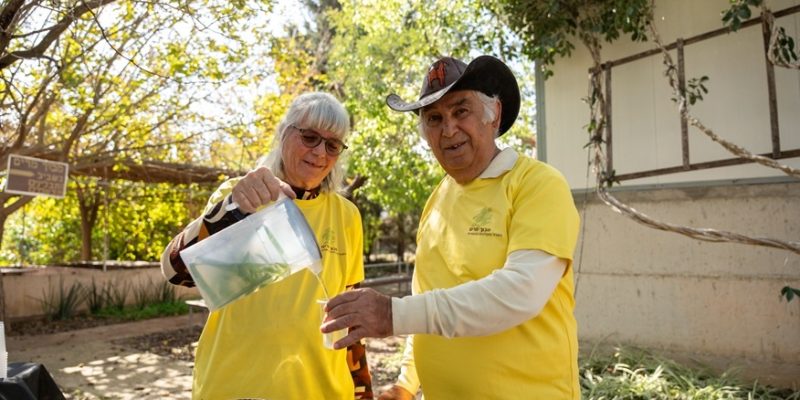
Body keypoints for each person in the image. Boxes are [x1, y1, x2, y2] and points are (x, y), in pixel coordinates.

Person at [321, 55, 580, 399]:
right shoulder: (437, 202)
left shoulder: (537, 184)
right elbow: (426, 303)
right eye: (434, 118)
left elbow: (522, 291)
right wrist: (405, 383)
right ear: (426, 134)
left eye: (461, 111)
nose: (449, 129)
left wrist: (392, 313)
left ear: (494, 115)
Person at [161, 92, 373, 399]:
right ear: (284, 133)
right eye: (310, 137)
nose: (320, 152)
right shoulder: (243, 196)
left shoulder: (347, 216)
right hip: (239, 388)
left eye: (333, 144)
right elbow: (175, 271)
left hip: (325, 391)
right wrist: (232, 206)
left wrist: (363, 393)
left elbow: (350, 319)